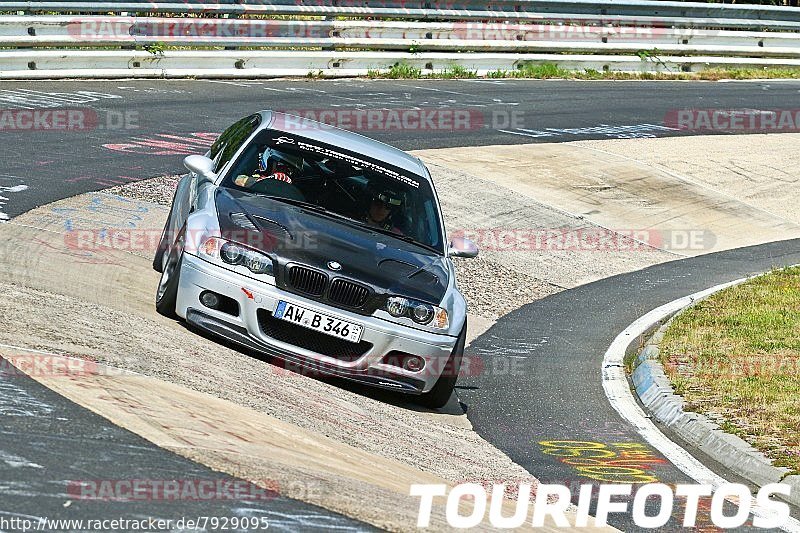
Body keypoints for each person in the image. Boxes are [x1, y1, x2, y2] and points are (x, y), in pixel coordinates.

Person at [234, 148, 303, 188]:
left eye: (289, 170)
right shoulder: (291, 188)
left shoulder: (281, 178)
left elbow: (238, 181)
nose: (284, 171)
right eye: (281, 166)